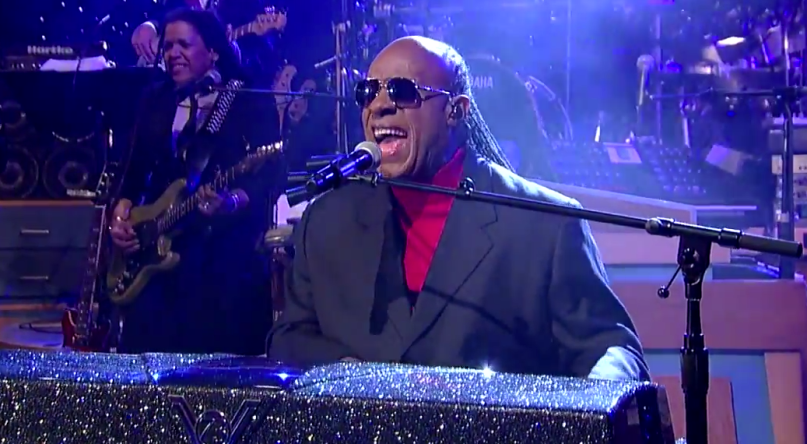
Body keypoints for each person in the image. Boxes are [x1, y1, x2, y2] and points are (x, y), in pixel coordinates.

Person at [267, 36, 650, 380]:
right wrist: (350, 373)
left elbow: (611, 349)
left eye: (402, 91)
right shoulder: (327, 220)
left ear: (456, 110)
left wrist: (593, 399)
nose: (379, 106)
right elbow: (289, 338)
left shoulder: (546, 225)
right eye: (368, 92)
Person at [110, 9, 281, 355]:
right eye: (167, 46)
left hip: (220, 251)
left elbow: (273, 174)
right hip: (155, 248)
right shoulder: (156, 99)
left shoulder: (247, 98)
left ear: (213, 51)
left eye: (183, 45)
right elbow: (133, 166)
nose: (173, 54)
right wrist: (122, 212)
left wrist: (232, 201)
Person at [131, 0, 283, 80]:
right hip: (165, 84)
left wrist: (233, 49)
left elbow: (258, 54)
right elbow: (163, 12)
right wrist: (152, 25)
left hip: (215, 87)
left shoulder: (244, 5)